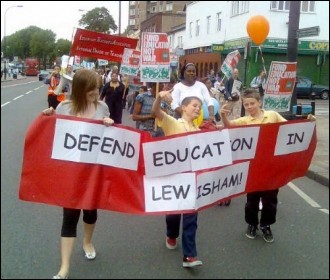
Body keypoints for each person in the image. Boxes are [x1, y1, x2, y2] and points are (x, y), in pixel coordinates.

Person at [42, 69, 114, 279]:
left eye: (98, 88)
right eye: (92, 89)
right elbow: (53, 132)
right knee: (70, 216)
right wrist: (47, 117)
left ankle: (87, 241)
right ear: (82, 89)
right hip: (71, 173)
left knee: (90, 211)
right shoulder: (64, 107)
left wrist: (109, 125)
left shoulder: (102, 107)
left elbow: (111, 138)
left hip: (94, 170)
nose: (96, 92)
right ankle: (64, 268)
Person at [220, 88, 316, 243]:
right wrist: (224, 115)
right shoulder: (245, 120)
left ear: (259, 102)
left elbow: (290, 128)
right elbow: (230, 126)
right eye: (246, 105)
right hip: (254, 167)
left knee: (270, 200)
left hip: (272, 167)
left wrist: (307, 121)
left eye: (252, 103)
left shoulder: (272, 115)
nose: (250, 107)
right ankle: (251, 224)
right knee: (252, 199)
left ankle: (266, 225)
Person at [152, 89, 203, 268]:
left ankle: (189, 255)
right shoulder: (174, 123)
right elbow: (156, 112)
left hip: (192, 177)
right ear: (183, 108)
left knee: (191, 215)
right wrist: (159, 98)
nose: (197, 109)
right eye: (194, 106)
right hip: (174, 175)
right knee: (174, 212)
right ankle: (171, 234)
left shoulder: (199, 129)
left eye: (200, 107)